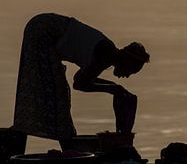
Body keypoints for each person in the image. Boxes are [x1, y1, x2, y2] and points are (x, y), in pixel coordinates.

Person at [11, 13, 150, 150]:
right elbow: (79, 85)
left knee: (45, 93)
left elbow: (80, 79)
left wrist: (113, 87)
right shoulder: (106, 54)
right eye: (131, 71)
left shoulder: (108, 52)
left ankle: (22, 142)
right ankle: (69, 151)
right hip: (44, 32)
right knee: (58, 96)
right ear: (127, 62)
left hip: (41, 26)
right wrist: (112, 89)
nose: (127, 76)